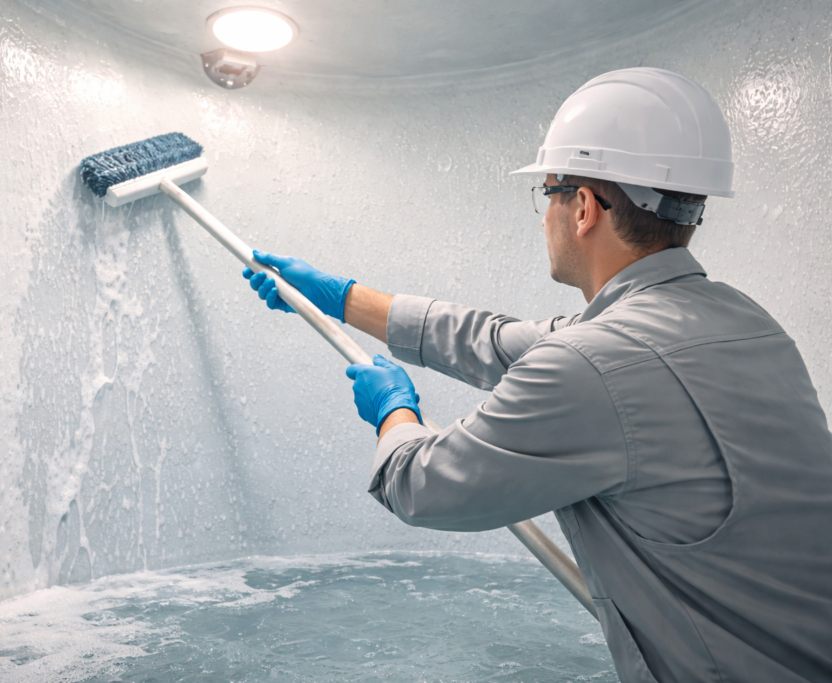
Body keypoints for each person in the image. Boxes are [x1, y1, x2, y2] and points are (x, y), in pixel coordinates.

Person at [241, 68, 832, 683]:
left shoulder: (592, 364)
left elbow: (420, 485)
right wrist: (338, 298)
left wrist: (395, 411)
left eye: (547, 192)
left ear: (582, 208)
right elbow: (493, 342)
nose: (543, 214)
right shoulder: (745, 322)